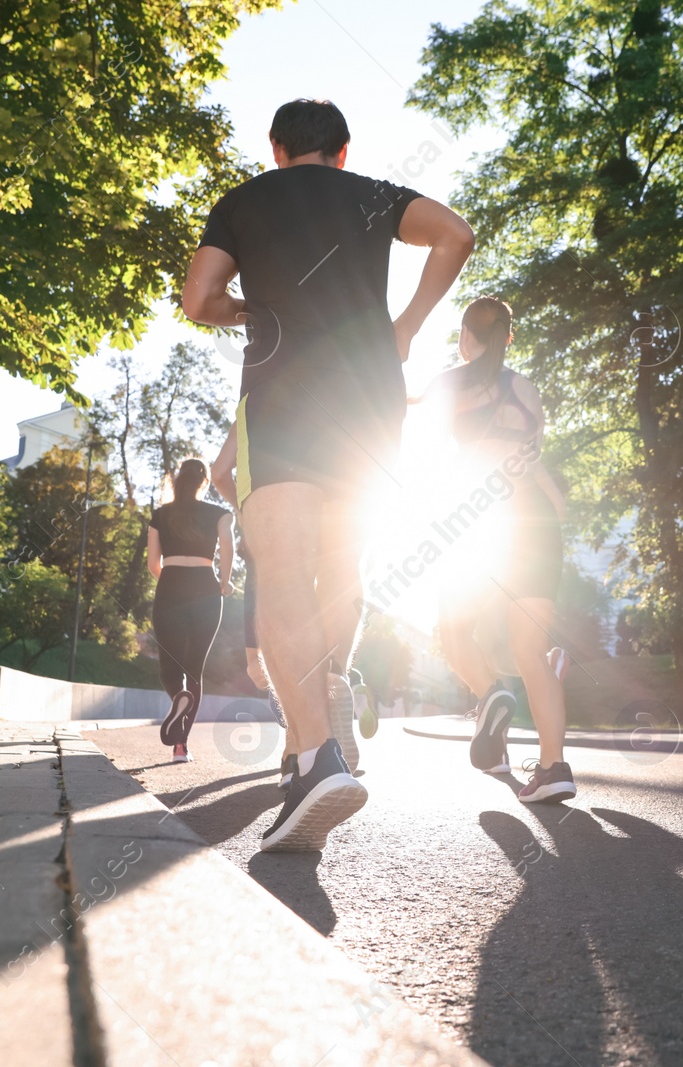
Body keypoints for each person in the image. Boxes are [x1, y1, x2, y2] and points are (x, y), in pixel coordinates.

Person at [182, 99, 474, 851]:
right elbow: (456, 235)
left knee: (281, 567)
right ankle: (329, 697)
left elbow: (199, 299)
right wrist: (404, 327)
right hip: (370, 394)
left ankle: (314, 756)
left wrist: (250, 309)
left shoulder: (242, 201)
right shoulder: (371, 191)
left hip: (283, 392)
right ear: (342, 153)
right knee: (342, 564)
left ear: (276, 149)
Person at [421, 297, 576, 804]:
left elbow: (423, 443)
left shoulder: (450, 384)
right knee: (531, 653)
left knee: (453, 630)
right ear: (508, 337)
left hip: (483, 521)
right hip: (536, 523)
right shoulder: (525, 388)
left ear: (466, 336)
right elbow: (531, 460)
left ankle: (491, 692)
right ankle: (554, 769)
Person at [212, 422, 295, 789]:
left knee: (266, 600)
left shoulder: (249, 410)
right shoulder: (323, 385)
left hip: (262, 513)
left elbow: (218, 473)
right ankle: (338, 685)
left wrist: (240, 507)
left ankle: (297, 750)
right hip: (316, 516)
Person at [146, 458, 234, 763]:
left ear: (178, 479)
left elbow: (152, 564)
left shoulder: (160, 515)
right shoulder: (220, 514)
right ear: (205, 482)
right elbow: (227, 544)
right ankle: (181, 747)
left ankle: (176, 697)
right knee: (194, 669)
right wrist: (224, 582)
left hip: (170, 586)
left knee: (170, 666)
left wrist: (171, 583)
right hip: (206, 588)